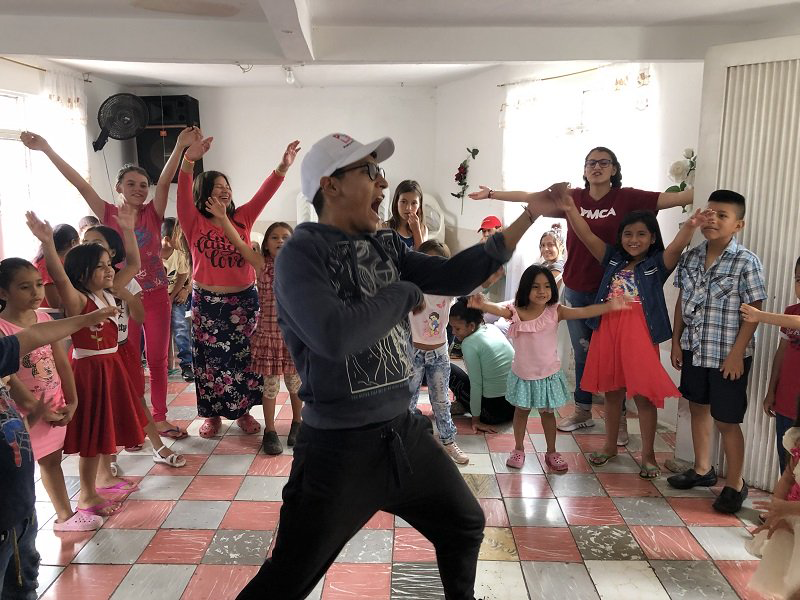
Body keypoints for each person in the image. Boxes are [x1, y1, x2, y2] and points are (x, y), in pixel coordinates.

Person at [236, 132, 562, 599]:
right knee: (286, 578)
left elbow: (450, 275)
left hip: (401, 433)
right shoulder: (300, 254)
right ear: (330, 185)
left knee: (465, 523)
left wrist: (529, 215)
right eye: (370, 171)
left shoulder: (386, 245)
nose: (383, 182)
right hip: (338, 449)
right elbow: (333, 336)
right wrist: (404, 293)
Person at [470, 146, 693, 440]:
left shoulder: (628, 197)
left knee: (619, 361)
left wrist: (711, 188)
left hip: (614, 293)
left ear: (614, 168)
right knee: (583, 354)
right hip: (577, 288)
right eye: (591, 163)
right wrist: (492, 194)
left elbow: (677, 198)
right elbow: (531, 198)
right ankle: (584, 411)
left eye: (604, 162)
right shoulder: (573, 198)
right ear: (584, 169)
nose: (597, 167)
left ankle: (620, 423)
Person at [20, 131, 182, 440]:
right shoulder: (107, 212)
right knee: (128, 359)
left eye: (143, 185)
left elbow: (165, 182)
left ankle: (159, 418)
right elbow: (79, 183)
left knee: (159, 360)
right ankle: (135, 420)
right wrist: (47, 148)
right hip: (116, 295)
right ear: (119, 188)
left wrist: (178, 147)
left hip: (155, 295)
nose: (138, 189)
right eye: (131, 184)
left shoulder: (152, 212)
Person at [559, 191, 712, 477]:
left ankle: (648, 456)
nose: (634, 240)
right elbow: (587, 236)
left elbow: (676, 249)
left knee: (643, 396)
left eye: (642, 234)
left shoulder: (656, 265)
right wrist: (570, 209)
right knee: (613, 392)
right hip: (608, 330)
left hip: (639, 334)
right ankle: (609, 446)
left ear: (653, 238)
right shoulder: (613, 260)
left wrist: (691, 225)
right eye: (628, 234)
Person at [173, 129, 300, 438]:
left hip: (244, 303)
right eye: (217, 187)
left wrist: (283, 166)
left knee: (244, 362)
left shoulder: (242, 218)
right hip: (207, 304)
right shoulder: (193, 221)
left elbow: (265, 192)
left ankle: (242, 412)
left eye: (227, 187)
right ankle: (213, 416)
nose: (225, 191)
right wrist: (189, 159)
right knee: (209, 364)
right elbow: (182, 189)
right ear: (204, 194)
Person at [27, 211, 149, 516]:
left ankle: (102, 480)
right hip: (90, 371)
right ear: (82, 273)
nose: (109, 271)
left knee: (106, 428)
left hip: (110, 368)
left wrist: (128, 230)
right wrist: (46, 243)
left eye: (109, 265)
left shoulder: (108, 292)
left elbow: (133, 264)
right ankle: (86, 494)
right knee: (93, 435)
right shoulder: (79, 300)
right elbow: (58, 275)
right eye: (101, 267)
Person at [0, 302, 118, 600]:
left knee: (24, 577)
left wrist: (90, 317)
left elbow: (36, 335)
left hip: (19, 505)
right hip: (6, 511)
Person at [470, 264, 629, 471]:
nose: (542, 291)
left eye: (546, 286)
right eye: (535, 287)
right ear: (526, 288)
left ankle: (551, 452)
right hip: (523, 376)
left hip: (548, 376)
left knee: (547, 415)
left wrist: (609, 307)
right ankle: (518, 449)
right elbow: (497, 309)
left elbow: (583, 311)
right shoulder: (515, 311)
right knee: (521, 413)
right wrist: (483, 304)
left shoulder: (556, 311)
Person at [667, 190, 767, 513]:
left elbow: (754, 310)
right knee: (697, 407)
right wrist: (676, 340)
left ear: (738, 224)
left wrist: (737, 353)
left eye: (722, 215)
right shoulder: (692, 256)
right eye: (710, 213)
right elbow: (683, 301)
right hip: (696, 350)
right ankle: (702, 469)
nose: (713, 220)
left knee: (727, 420)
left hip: (728, 356)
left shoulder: (746, 262)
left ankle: (736, 484)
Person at [0, 258, 103, 532]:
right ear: (3, 293)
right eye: (24, 287)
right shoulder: (2, 329)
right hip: (24, 414)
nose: (36, 292)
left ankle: (64, 516)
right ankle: (24, 524)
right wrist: (38, 409)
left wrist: (72, 400)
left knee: (51, 462)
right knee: (21, 470)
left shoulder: (44, 319)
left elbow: (61, 360)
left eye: (37, 285)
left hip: (53, 404)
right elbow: (11, 383)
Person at [83, 224, 186, 468]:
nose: (90, 247)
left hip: (122, 351)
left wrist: (126, 296)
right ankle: (109, 458)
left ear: (112, 252)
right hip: (93, 356)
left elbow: (138, 316)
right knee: (102, 405)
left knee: (137, 399)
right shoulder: (79, 286)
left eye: (97, 243)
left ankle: (158, 447)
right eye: (85, 241)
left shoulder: (125, 282)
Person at [407, 239, 468, 465]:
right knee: (407, 401)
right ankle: (405, 440)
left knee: (441, 401)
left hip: (439, 354)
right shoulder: (413, 289)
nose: (433, 268)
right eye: (428, 262)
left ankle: (448, 440)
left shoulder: (448, 291)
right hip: (413, 352)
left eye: (439, 263)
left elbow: (470, 281)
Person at [739, 263, 800, 474]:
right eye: (799, 279)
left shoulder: (792, 318)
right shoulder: (790, 312)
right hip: (785, 404)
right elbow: (781, 354)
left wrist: (760, 316)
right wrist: (771, 391)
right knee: (786, 466)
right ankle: (783, 505)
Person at [248, 222, 303, 455]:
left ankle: (298, 424)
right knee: (270, 388)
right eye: (274, 237)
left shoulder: (300, 267)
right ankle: (269, 431)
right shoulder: (262, 265)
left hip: (293, 339)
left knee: (296, 386)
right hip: (269, 337)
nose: (280, 241)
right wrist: (222, 219)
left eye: (286, 237)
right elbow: (240, 243)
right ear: (266, 243)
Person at [746, 407, 800, 599]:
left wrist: (785, 509)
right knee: (789, 581)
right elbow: (787, 479)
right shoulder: (797, 442)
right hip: (792, 520)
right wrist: (772, 518)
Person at [449, 298, 515, 432]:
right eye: (451, 327)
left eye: (457, 328)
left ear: (471, 326)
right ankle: (465, 404)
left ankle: (469, 407)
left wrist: (476, 420)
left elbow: (476, 385)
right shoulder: (491, 328)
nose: (453, 332)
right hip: (514, 409)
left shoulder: (469, 344)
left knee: (447, 368)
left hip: (493, 415)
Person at [160, 217, 194, 382]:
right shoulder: (154, 256)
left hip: (174, 298)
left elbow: (183, 275)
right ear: (166, 239)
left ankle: (186, 364)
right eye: (179, 236)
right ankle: (158, 364)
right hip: (156, 299)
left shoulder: (179, 254)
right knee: (159, 332)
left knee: (180, 328)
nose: (183, 239)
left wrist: (173, 295)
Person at [32, 223, 79, 311]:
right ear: (73, 243)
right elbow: (54, 302)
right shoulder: (46, 265)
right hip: (50, 314)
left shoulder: (62, 262)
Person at [382, 179, 427, 249]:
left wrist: (416, 230)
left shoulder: (423, 229)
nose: (408, 208)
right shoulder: (386, 227)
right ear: (396, 202)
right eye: (403, 201)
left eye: (414, 203)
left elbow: (422, 257)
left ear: (419, 206)